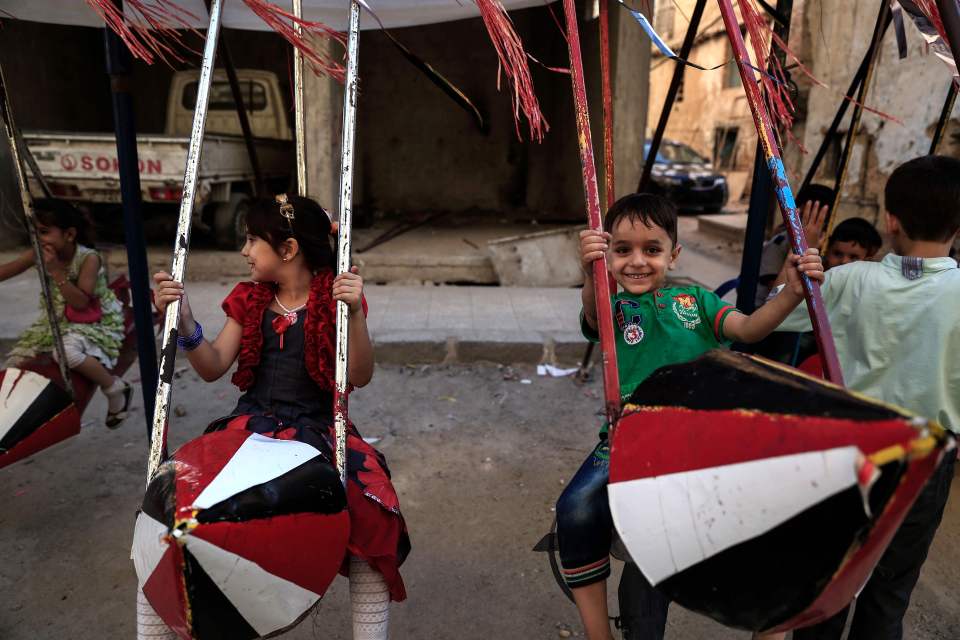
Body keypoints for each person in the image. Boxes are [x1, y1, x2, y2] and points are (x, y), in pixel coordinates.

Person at [557, 193, 824, 640]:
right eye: (622, 251)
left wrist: (792, 295)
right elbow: (591, 310)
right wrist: (590, 275)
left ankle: (770, 616)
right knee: (575, 507)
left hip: (696, 442)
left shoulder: (696, 301)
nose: (636, 262)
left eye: (652, 250)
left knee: (771, 518)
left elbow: (750, 329)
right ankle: (597, 632)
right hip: (627, 440)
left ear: (674, 254)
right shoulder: (612, 306)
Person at [149, 194, 409, 640]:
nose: (245, 251)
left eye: (253, 240)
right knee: (169, 507)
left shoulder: (336, 297)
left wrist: (355, 316)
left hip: (318, 430)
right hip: (248, 427)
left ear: (288, 250)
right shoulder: (249, 299)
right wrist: (185, 321)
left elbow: (359, 377)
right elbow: (212, 367)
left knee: (373, 510)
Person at [775, 155, 960, 640]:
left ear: (890, 220)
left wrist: (800, 262)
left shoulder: (845, 280)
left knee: (828, 586)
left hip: (848, 454)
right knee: (889, 592)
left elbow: (773, 316)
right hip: (928, 458)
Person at [0, 198, 130, 427]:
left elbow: (81, 302)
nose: (37, 240)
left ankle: (112, 386)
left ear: (69, 235)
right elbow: (9, 269)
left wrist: (56, 272)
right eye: (33, 233)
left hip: (92, 319)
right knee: (20, 358)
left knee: (66, 353)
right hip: (60, 317)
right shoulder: (38, 253)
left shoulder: (88, 258)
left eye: (43, 232)